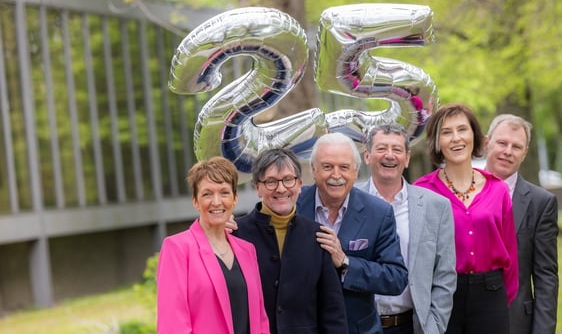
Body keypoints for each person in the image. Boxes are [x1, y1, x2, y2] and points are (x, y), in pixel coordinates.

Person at [413, 103, 519, 334]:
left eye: (462, 129)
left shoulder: (498, 189)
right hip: (443, 295)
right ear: (437, 142)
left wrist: (500, 298)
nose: (456, 138)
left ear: (474, 135)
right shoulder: (422, 191)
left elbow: (510, 251)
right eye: (446, 132)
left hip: (491, 296)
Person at [296, 132, 409, 334]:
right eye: (327, 166)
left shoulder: (378, 213)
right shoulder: (293, 205)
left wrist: (345, 262)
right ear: (313, 170)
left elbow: (396, 278)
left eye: (344, 167)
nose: (336, 175)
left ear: (356, 172)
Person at [234, 148, 348, 334]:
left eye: (288, 179)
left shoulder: (318, 236)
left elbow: (332, 311)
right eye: (271, 181)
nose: (281, 189)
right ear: (258, 188)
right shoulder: (236, 234)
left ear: (299, 185)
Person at [356, 123, 457, 334]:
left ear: (407, 158)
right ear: (367, 156)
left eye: (397, 149)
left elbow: (445, 274)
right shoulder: (348, 201)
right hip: (359, 326)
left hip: (413, 326)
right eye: (381, 148)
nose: (390, 155)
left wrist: (434, 327)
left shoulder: (435, 206)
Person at [156, 156, 270, 334]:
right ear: (195, 201)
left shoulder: (247, 250)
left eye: (224, 192)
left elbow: (261, 320)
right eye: (207, 193)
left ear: (234, 199)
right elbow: (173, 325)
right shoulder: (177, 248)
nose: (216, 202)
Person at [484, 114, 559, 334]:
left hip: (516, 323)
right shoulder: (460, 194)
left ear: (524, 154)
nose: (508, 151)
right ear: (487, 143)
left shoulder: (541, 203)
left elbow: (546, 277)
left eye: (516, 147)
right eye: (502, 143)